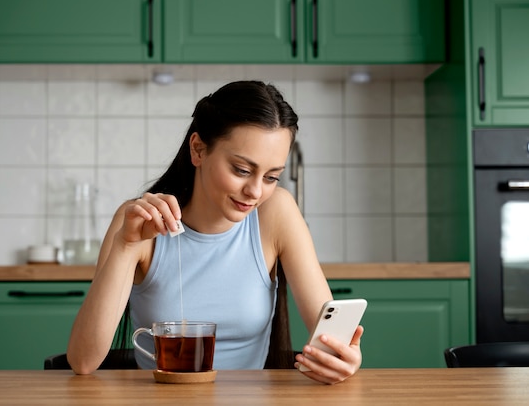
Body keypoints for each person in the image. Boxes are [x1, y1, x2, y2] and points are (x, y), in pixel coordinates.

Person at [67, 80, 364, 384]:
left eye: (272, 177)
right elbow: (83, 361)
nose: (255, 191)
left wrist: (345, 357)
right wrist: (126, 246)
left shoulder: (277, 212)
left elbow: (333, 338)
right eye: (242, 170)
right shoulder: (137, 223)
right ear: (198, 149)